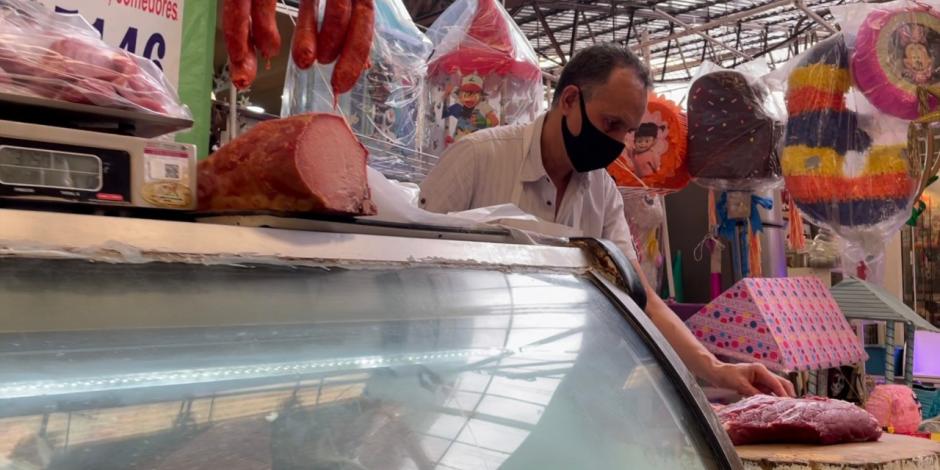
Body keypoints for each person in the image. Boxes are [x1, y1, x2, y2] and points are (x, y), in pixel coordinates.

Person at [420, 44, 794, 398]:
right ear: (569, 100)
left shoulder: (602, 191)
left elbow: (639, 293)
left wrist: (717, 369)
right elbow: (411, 271)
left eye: (628, 131)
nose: (617, 143)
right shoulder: (477, 159)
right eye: (610, 123)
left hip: (550, 379)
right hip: (454, 375)